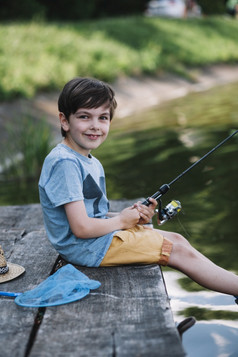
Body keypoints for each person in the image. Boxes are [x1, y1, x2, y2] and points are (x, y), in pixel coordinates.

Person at [39, 77, 238, 301]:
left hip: (94, 242)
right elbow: (81, 228)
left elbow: (92, 215)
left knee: (177, 240)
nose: (95, 125)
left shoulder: (88, 160)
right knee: (178, 252)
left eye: (103, 118)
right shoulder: (64, 162)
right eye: (85, 117)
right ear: (65, 121)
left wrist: (130, 217)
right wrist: (121, 222)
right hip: (86, 248)